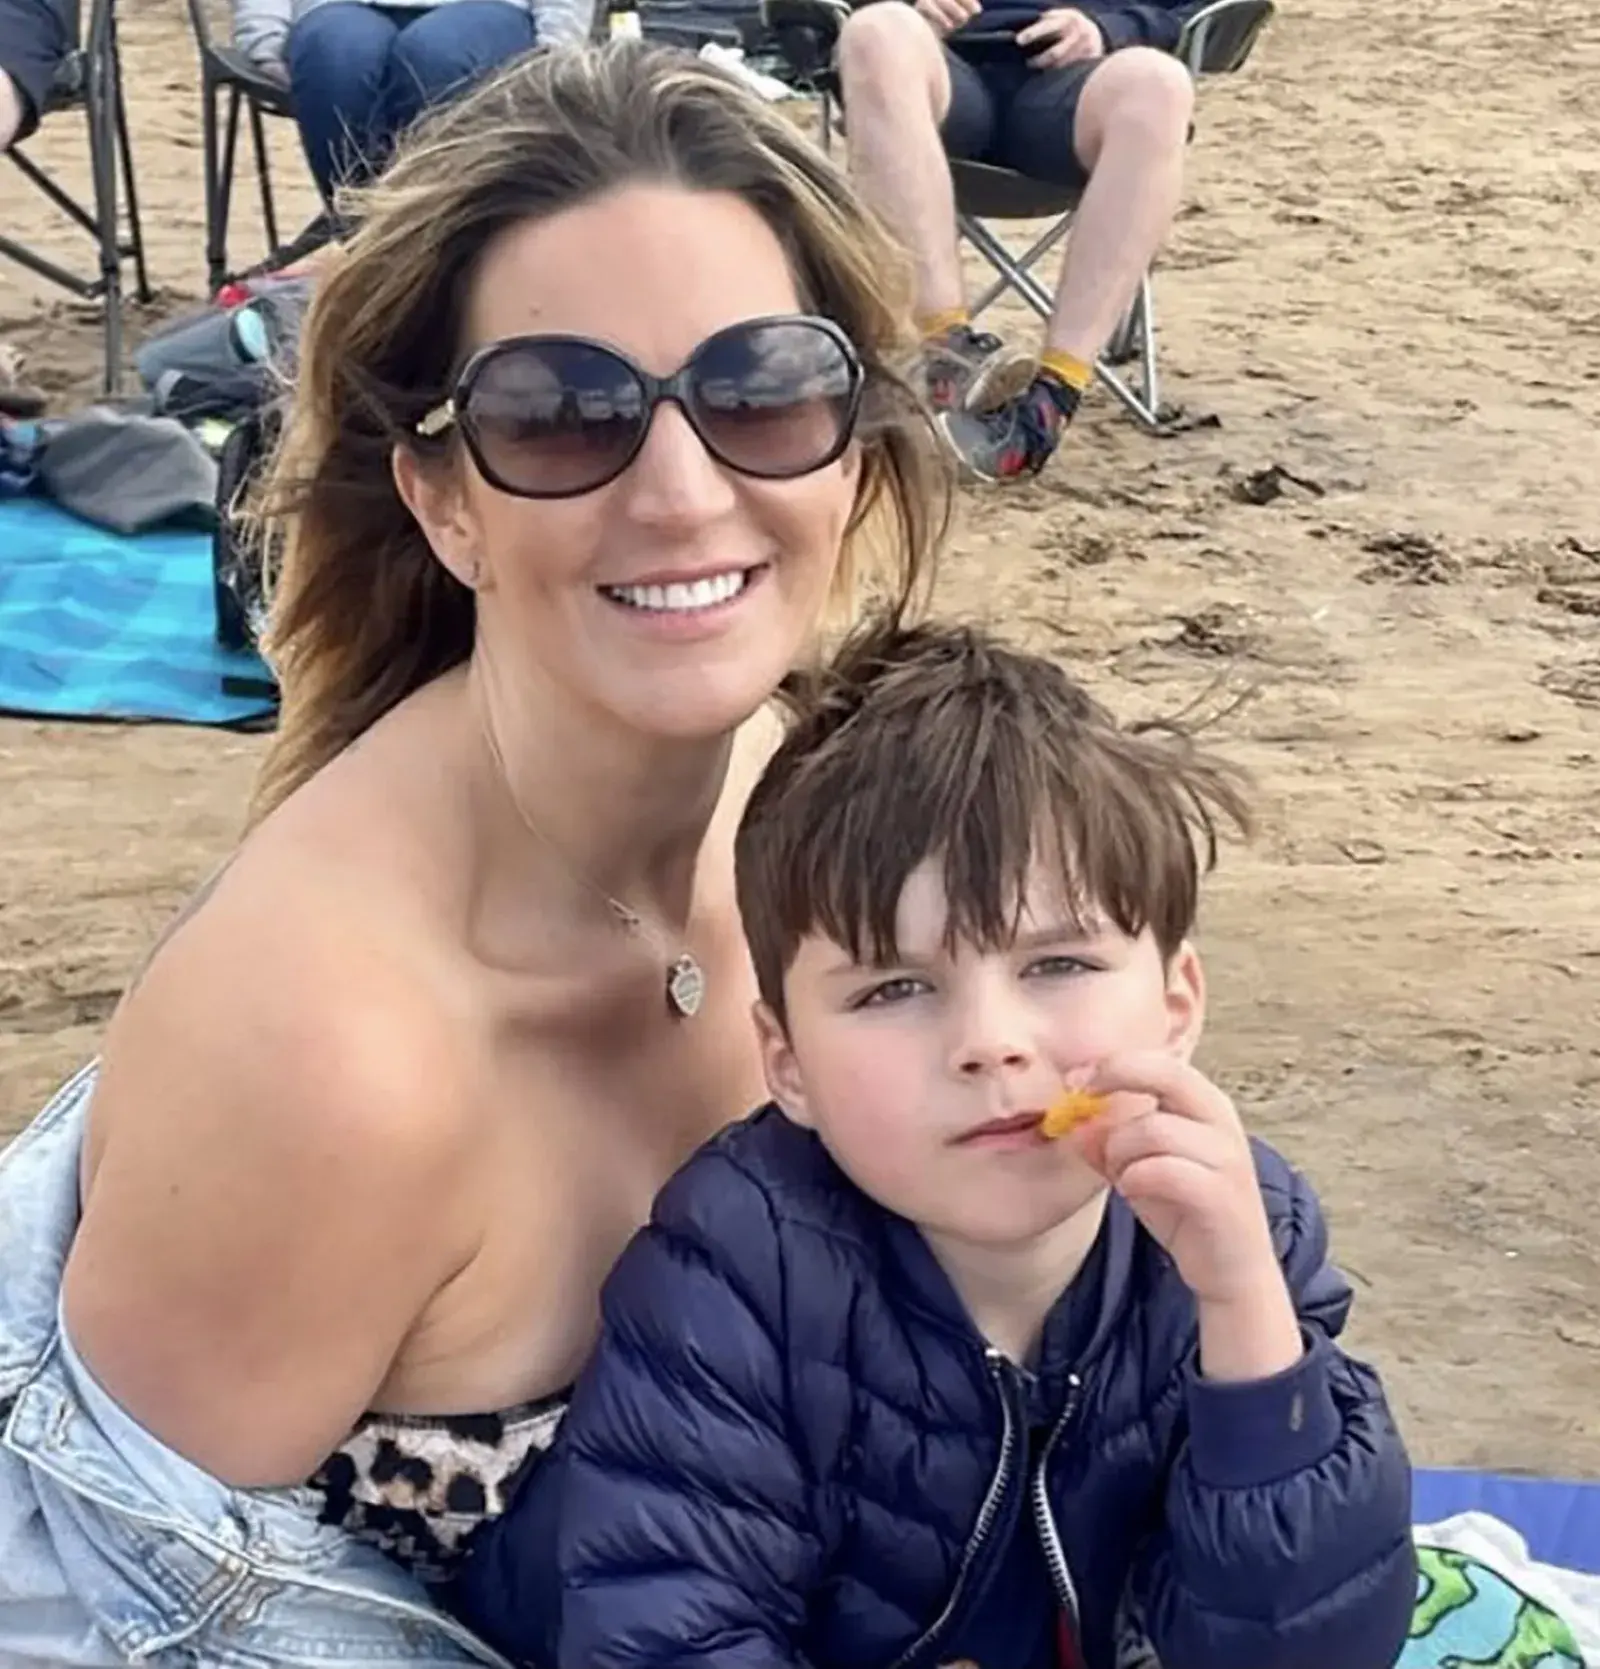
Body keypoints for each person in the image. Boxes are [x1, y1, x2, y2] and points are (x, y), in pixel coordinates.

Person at [0, 40, 945, 1665]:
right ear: (442, 497)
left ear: (849, 448)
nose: (681, 484)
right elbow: (107, 1611)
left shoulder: (804, 814)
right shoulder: (339, 1060)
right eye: (563, 413)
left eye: (762, 385)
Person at [446, 620, 1419, 1669]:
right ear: (788, 1065)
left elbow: (1307, 1647)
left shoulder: (1243, 1237)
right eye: (895, 989)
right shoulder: (734, 1275)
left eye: (1057, 966)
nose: (990, 1045)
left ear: (1175, 1003)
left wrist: (1248, 1329)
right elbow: (668, 1639)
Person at [835, 0, 1209, 484]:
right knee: (879, 30)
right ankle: (945, 353)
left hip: (1079, 85)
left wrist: (1109, 27)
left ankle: (1053, 397)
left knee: (1160, 83)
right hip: (933, 71)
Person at [231, 0, 595, 201]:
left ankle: (422, 240)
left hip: (489, 10)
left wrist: (558, 41)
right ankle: (362, 245)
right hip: (337, 8)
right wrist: (262, 33)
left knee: (435, 56)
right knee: (336, 56)